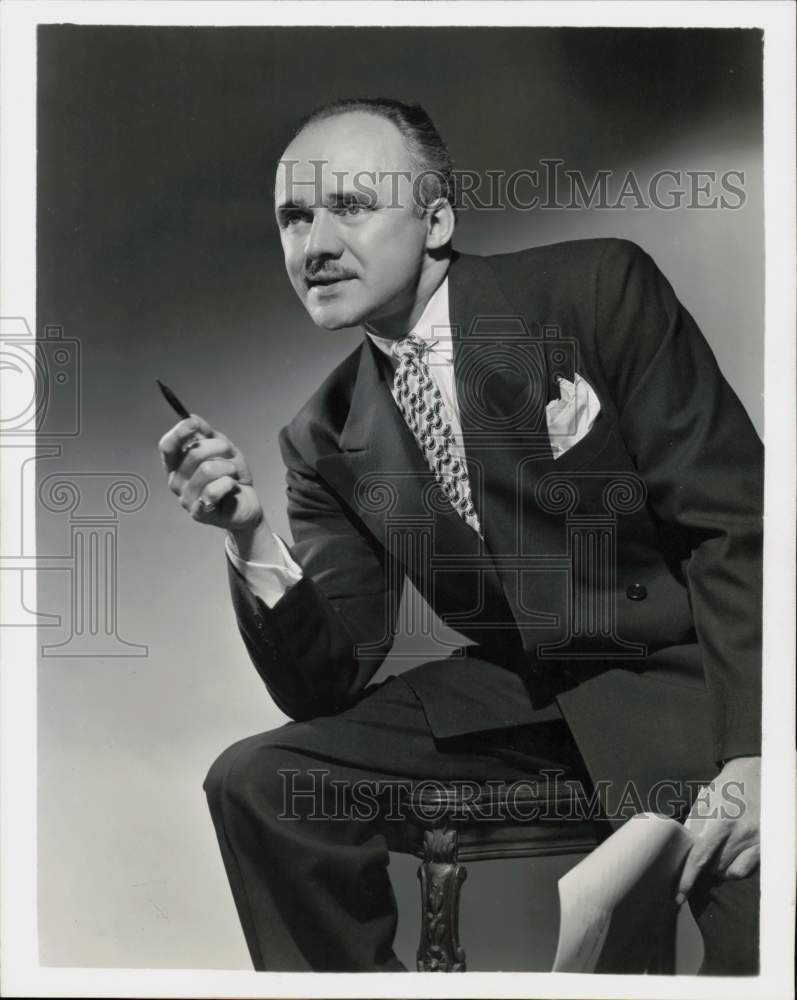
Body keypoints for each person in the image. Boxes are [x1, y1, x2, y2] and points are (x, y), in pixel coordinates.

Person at [158, 98, 762, 974]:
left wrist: (758, 751)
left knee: (756, 942)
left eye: (351, 207)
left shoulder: (595, 287)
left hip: (688, 691)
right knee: (260, 784)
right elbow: (327, 682)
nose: (314, 245)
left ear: (436, 219)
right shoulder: (321, 434)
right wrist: (246, 535)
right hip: (524, 710)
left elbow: (735, 524)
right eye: (294, 218)